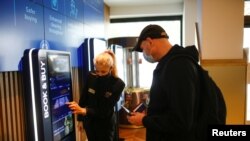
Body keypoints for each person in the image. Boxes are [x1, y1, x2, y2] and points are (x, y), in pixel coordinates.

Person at [127, 24, 204, 141]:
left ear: (149, 41)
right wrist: (151, 115)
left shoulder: (177, 66)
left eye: (143, 49)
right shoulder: (169, 64)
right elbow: (170, 107)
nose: (144, 53)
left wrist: (143, 120)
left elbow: (181, 121)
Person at [66, 50, 125, 141]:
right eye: (97, 71)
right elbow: (84, 98)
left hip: (105, 124)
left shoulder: (118, 84)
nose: (100, 74)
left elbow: (104, 110)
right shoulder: (91, 76)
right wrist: (80, 120)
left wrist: (84, 110)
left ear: (111, 68)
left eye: (103, 72)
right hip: (89, 122)